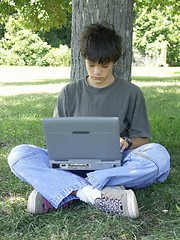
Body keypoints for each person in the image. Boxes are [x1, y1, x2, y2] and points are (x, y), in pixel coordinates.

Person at [7, 22, 170, 219]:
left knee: (160, 156)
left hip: (116, 164)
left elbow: (142, 140)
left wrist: (125, 142)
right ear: (84, 59)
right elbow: (56, 140)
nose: (96, 72)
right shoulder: (69, 92)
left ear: (114, 61)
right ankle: (97, 194)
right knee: (18, 155)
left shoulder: (131, 93)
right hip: (71, 165)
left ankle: (61, 190)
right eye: (91, 64)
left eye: (104, 65)